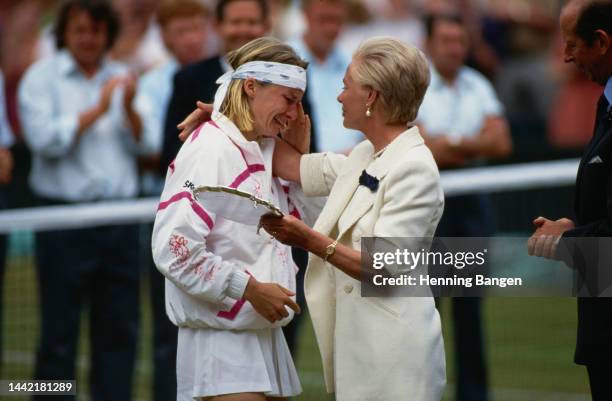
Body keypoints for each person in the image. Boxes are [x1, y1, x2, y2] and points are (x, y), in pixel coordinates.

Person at [260, 36, 446, 401]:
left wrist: (308, 239)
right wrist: (226, 116)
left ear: (372, 96)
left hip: (396, 359)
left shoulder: (415, 169)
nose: (339, 96)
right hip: (360, 352)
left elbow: (383, 268)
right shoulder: (365, 154)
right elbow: (289, 165)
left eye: (346, 86)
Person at [151, 36, 313, 401]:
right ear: (252, 87)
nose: (295, 113)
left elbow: (304, 226)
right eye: (289, 99)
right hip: (220, 342)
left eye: (300, 102)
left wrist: (301, 156)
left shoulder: (264, 146)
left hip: (260, 335)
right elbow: (173, 248)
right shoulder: (211, 148)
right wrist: (250, 289)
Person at [17, 1, 145, 400]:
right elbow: (42, 141)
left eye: (96, 30)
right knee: (57, 333)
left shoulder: (122, 77)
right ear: (64, 34)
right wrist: (98, 110)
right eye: (80, 30)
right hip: (63, 222)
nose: (89, 39)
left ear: (107, 34)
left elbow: (145, 142)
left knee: (119, 332)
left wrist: (124, 108)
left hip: (119, 221)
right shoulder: (40, 78)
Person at [416, 13, 512, 401]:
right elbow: (421, 146)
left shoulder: (478, 84)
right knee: (424, 311)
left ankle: (474, 396)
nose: (455, 48)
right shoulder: (416, 87)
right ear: (430, 44)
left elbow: (501, 144)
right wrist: (473, 143)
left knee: (469, 312)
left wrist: (450, 144)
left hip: (470, 207)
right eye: (447, 40)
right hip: (426, 205)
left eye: (460, 40)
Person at [528, 1, 612, 401]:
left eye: (573, 43)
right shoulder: (606, 103)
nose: (565, 56)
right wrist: (568, 228)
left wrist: (565, 239)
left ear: (601, 42)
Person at [133, 1, 209, 400]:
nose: (191, 39)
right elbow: (149, 148)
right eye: (182, 31)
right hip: (165, 211)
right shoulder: (152, 82)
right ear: (164, 36)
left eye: (197, 29)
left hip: (211, 217)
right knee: (168, 321)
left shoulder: (223, 77)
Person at [159, 0, 269, 174]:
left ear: (266, 26)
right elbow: (171, 153)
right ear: (217, 26)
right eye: (236, 22)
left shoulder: (285, 79)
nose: (243, 30)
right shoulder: (189, 78)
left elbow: (305, 146)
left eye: (251, 22)